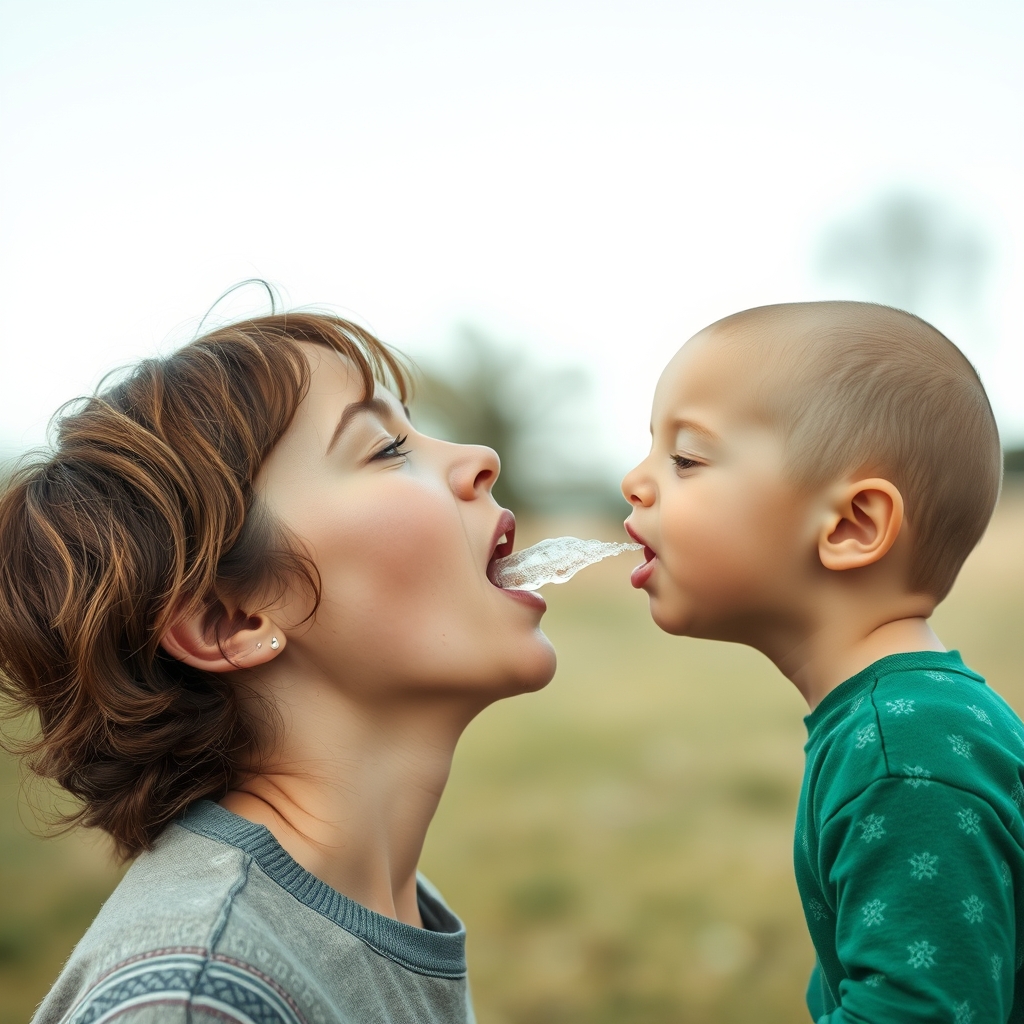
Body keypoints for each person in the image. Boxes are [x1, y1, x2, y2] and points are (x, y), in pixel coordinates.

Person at [0, 311, 556, 1024]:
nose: (479, 456)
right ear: (231, 622)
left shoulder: (376, 910)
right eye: (386, 448)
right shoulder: (195, 1002)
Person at [621, 301, 1022, 1021]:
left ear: (850, 525)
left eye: (685, 459)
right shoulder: (904, 717)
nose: (635, 482)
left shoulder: (907, 751)